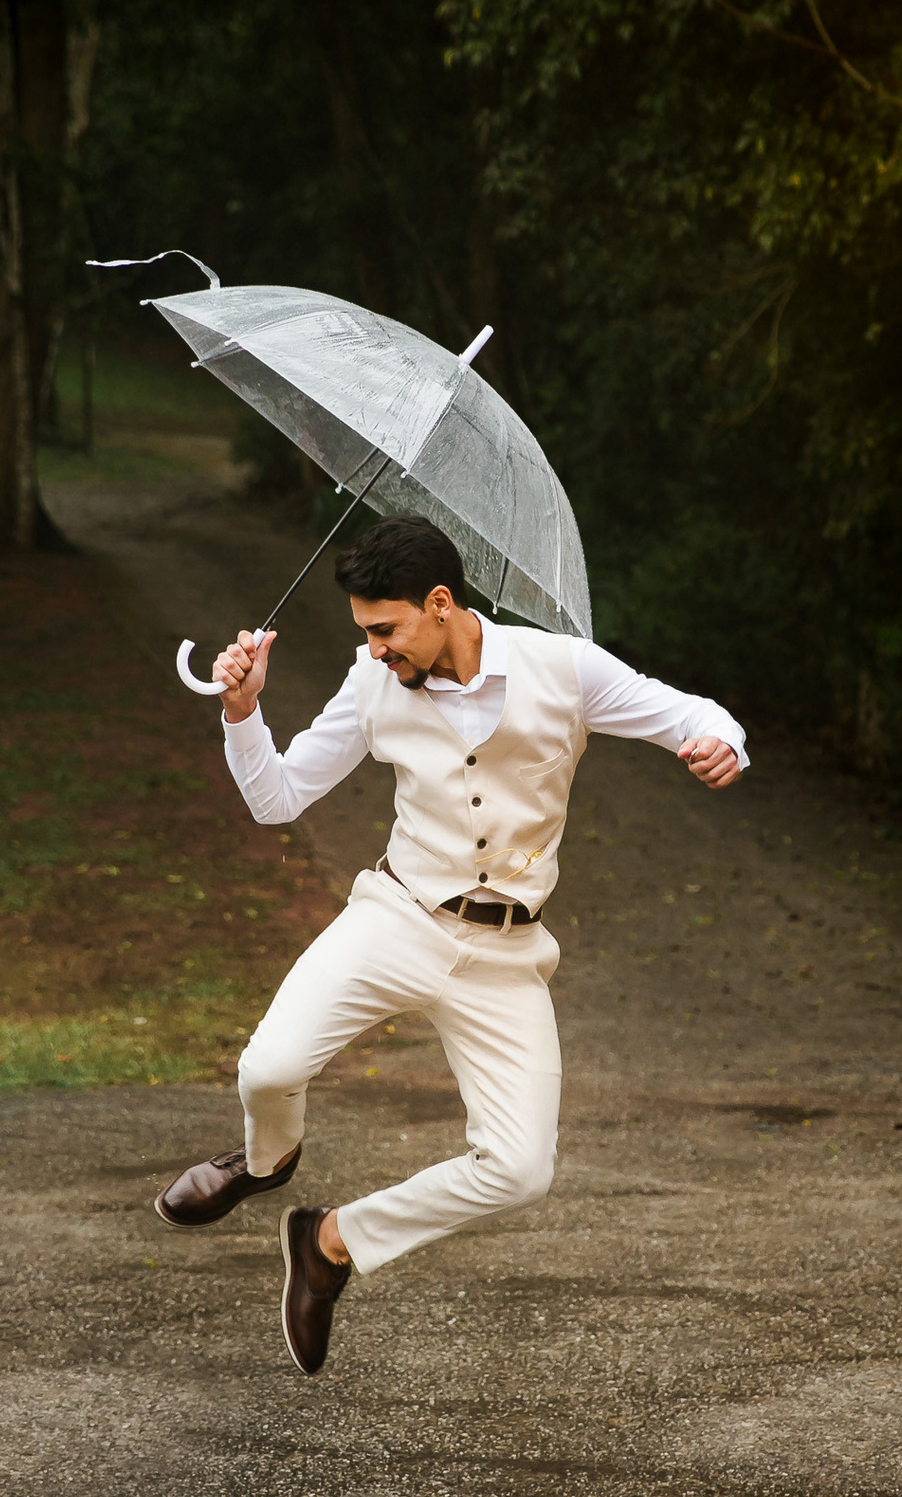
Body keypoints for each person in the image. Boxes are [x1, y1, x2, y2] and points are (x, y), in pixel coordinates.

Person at [155, 515, 746, 1375]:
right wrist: (242, 712)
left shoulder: (563, 669)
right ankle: (263, 1159)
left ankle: (329, 1243)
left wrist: (723, 744)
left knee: (521, 1170)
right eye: (366, 632)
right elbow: (277, 797)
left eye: (385, 628)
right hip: (398, 916)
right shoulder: (372, 682)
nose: (374, 648)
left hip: (507, 955)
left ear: (440, 603)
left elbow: (692, 712)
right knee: (267, 1071)